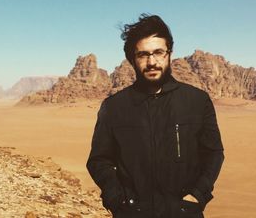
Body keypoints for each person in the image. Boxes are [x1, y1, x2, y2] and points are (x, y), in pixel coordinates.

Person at [87, 14, 224, 218]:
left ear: (169, 53)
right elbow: (99, 160)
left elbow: (213, 153)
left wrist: (197, 195)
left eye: (158, 52)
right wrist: (116, 198)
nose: (152, 62)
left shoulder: (196, 101)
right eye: (143, 55)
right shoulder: (114, 107)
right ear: (132, 59)